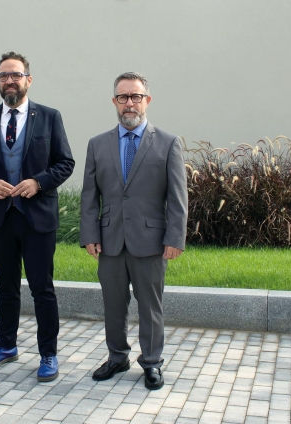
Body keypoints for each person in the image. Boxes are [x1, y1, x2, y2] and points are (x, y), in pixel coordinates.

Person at [0, 51, 75, 382]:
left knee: (41, 287)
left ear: (28, 79)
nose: (9, 80)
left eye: (15, 75)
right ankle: (6, 345)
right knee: (6, 285)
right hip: (2, 216)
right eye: (3, 76)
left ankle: (48, 354)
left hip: (37, 217)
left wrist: (38, 182)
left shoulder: (49, 117)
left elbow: (65, 162)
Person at [79, 72, 188, 390]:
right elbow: (89, 196)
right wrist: (90, 234)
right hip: (110, 241)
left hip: (151, 242)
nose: (129, 103)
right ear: (115, 101)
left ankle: (152, 362)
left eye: (136, 96)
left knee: (150, 306)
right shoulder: (97, 144)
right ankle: (117, 357)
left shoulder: (168, 143)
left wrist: (174, 238)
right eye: (123, 97)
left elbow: (178, 197)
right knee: (113, 304)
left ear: (147, 101)